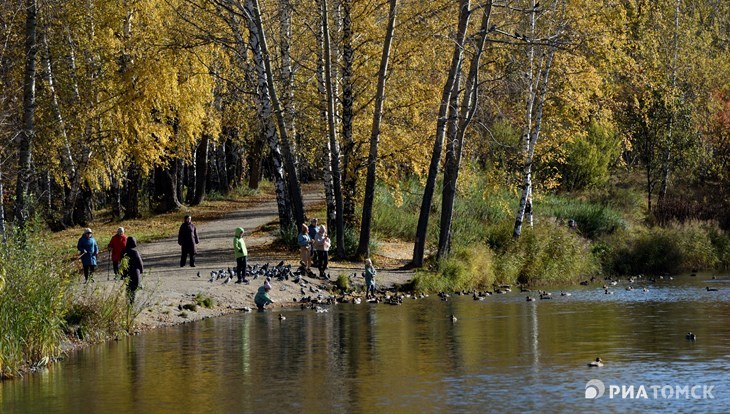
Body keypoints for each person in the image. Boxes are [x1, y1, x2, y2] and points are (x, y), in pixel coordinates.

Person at [122, 237, 144, 304]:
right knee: (133, 288)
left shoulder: (123, 251)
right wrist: (141, 271)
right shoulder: (135, 252)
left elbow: (121, 262)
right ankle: (131, 303)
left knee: (128, 287)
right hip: (135, 272)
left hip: (126, 272)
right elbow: (140, 263)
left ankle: (127, 302)